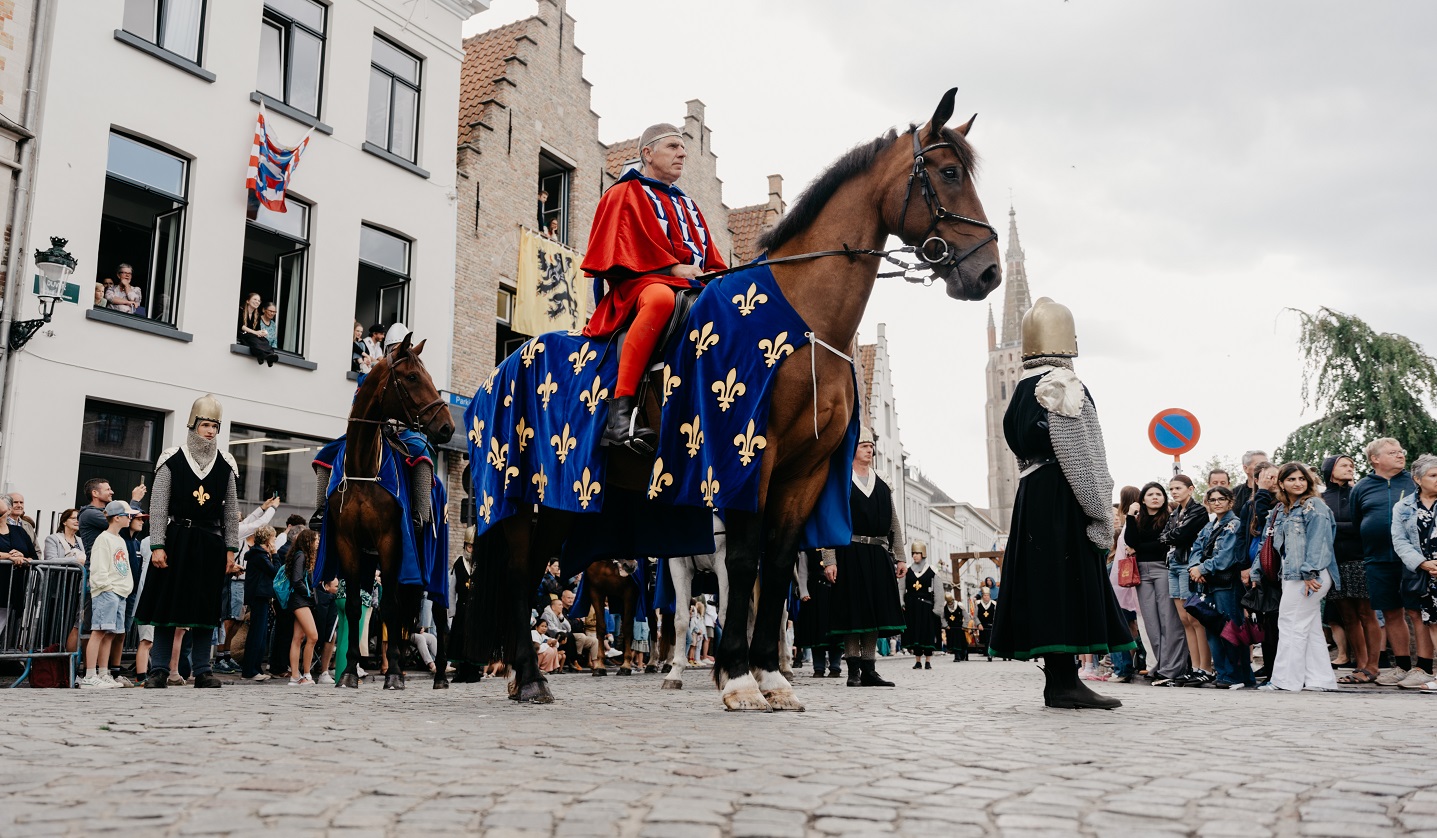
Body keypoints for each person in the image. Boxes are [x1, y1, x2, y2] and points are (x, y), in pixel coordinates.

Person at [988, 296, 1131, 710]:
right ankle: (1066, 684)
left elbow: (1022, 453)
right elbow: (1080, 454)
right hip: (1062, 493)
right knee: (1068, 584)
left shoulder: (1021, 390)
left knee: (1047, 586)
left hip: (1032, 493)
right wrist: (1099, 514)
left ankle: (1060, 681)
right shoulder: (1062, 385)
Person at [580, 123, 727, 453]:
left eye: (683, 148)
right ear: (647, 153)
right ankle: (620, 417)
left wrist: (721, 278)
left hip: (691, 286)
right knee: (661, 299)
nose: (683, 153)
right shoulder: (622, 194)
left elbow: (710, 259)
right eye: (674, 146)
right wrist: (673, 268)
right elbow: (615, 254)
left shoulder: (687, 204)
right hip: (639, 286)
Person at [134, 394, 242, 689]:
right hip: (177, 539)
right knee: (168, 607)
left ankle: (202, 670)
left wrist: (231, 550)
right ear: (194, 425)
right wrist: (157, 544)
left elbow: (230, 512)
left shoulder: (226, 463)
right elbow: (158, 506)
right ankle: (157, 669)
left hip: (210, 542)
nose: (210, 431)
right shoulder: (172, 458)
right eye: (205, 425)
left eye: (214, 426)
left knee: (205, 609)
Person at [823, 428, 905, 687]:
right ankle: (853, 671)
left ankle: (870, 669)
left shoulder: (882, 482)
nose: (870, 450)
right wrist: (829, 559)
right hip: (850, 553)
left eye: (871, 446)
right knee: (853, 613)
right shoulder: (840, 481)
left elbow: (893, 522)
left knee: (873, 613)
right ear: (852, 450)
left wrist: (900, 556)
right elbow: (830, 520)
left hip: (877, 554)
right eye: (864, 446)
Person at [1351, 438, 1428, 687]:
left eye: (1401, 451)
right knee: (1391, 612)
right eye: (1392, 452)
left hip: (1415, 560)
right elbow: (1356, 521)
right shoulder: (1361, 487)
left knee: (1417, 612)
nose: (1400, 455)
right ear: (1375, 459)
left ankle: (1424, 668)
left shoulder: (1414, 481)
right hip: (1377, 559)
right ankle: (1403, 667)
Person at [1257, 462, 1339, 692]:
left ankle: (1285, 681)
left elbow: (1320, 541)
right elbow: (1269, 543)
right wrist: (1256, 571)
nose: (1298, 483)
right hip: (1294, 574)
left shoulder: (1314, 506)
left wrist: (1309, 571)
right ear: (1281, 483)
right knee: (1308, 627)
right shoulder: (1280, 510)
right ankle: (1320, 680)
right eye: (1291, 479)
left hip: (1310, 574)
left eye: (1302, 479)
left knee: (1290, 624)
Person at [1188, 486, 1256, 688]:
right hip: (1208, 585)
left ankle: (1237, 675)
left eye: (1221, 499)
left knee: (1230, 629)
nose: (1217, 503)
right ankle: (1223, 673)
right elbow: (1196, 548)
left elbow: (1225, 558)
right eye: (1213, 500)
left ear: (1230, 501)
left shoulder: (1233, 525)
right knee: (1213, 630)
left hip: (1227, 584)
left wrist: (1202, 568)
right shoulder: (1208, 527)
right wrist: (1194, 567)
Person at [1323, 454, 1380, 685]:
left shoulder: (1359, 492)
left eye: (1352, 465)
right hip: (1334, 563)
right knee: (1348, 617)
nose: (1350, 468)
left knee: (1367, 614)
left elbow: (1363, 526)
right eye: (1344, 465)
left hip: (1361, 560)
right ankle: (1360, 665)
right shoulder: (1321, 497)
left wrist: (1334, 526)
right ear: (1330, 470)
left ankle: (1373, 666)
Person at [1127, 482, 1188, 684]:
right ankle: (1160, 665)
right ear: (1142, 498)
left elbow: (1164, 542)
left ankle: (1173, 668)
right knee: (1151, 623)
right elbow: (1131, 542)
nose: (1155, 497)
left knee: (1168, 620)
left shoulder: (1170, 518)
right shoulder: (1137, 519)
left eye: (1159, 494)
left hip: (1163, 569)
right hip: (1142, 573)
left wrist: (1140, 547)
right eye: (1150, 494)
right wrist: (1129, 516)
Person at [80, 501, 140, 688]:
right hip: (108, 590)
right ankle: (90, 675)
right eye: (127, 515)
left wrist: (125, 586)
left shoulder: (119, 539)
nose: (130, 518)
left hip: (120, 590)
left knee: (110, 634)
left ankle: (104, 672)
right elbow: (99, 565)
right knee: (98, 631)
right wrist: (106, 586)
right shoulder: (103, 539)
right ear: (117, 517)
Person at [1160, 474, 1213, 686]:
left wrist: (1171, 534)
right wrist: (1171, 534)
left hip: (1188, 565)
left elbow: (1179, 535)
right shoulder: (1175, 512)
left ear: (1190, 489)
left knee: (1195, 618)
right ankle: (1195, 667)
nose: (1173, 492)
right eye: (1171, 488)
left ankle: (1205, 668)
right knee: (1184, 619)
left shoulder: (1198, 510)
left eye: (1178, 488)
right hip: (1173, 565)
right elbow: (1164, 535)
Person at [1393, 453, 1437, 691]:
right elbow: (1399, 540)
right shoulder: (1404, 506)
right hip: (1420, 572)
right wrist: (1422, 563)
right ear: (1418, 479)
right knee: (1430, 622)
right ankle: (1425, 671)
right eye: (1433, 475)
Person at [241, 524, 282, 681]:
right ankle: (250, 670)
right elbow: (276, 572)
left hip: (260, 596)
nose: (275, 540)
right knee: (257, 634)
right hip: (259, 597)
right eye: (273, 537)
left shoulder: (257, 554)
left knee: (260, 633)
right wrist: (275, 554)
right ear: (267, 539)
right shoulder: (260, 555)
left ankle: (254, 668)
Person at [796, 549, 843, 677]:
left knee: (836, 631)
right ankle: (818, 667)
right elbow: (802, 571)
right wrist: (803, 591)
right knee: (816, 631)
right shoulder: (809, 548)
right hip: (815, 592)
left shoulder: (838, 545)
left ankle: (835, 666)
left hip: (835, 590)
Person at [283, 527, 319, 686]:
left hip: (300, 600)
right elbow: (297, 580)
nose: (318, 542)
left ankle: (296, 676)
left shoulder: (300, 555)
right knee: (313, 636)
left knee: (298, 638)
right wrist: (309, 594)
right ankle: (305, 674)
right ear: (308, 541)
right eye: (315, 540)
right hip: (300, 600)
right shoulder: (301, 556)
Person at [0, 495, 37, 638]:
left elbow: (34, 557)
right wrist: (8, 556)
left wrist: (23, 558)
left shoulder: (19, 532)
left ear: (9, 510)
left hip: (10, 588)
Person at [903, 541, 942, 670]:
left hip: (927, 607)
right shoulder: (907, 570)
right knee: (915, 633)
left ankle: (928, 660)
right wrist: (901, 602)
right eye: (913, 553)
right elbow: (901, 588)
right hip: (912, 607)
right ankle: (918, 660)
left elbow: (938, 591)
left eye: (917, 553)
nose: (915, 556)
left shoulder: (932, 571)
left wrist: (937, 608)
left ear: (923, 554)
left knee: (927, 632)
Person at [237, 292, 278, 366]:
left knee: (264, 340)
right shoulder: (240, 310)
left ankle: (270, 356)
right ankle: (263, 355)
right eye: (255, 299)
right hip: (243, 335)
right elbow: (240, 326)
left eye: (259, 300)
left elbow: (257, 330)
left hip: (251, 335)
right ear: (248, 301)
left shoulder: (257, 315)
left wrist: (262, 332)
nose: (257, 302)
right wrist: (255, 332)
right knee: (253, 339)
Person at [943, 594, 967, 662]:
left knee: (959, 641)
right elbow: (942, 617)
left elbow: (966, 617)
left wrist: (964, 625)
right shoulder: (945, 607)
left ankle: (961, 654)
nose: (950, 604)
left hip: (959, 626)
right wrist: (945, 625)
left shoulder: (959, 605)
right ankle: (956, 655)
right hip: (950, 627)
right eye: (949, 603)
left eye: (951, 602)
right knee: (952, 642)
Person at [974, 588, 997, 661]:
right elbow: (975, 616)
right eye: (984, 595)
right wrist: (978, 624)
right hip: (982, 626)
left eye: (987, 595)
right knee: (986, 640)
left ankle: (989, 654)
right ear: (982, 596)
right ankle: (987, 652)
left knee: (990, 640)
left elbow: (996, 616)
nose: (986, 597)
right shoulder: (978, 604)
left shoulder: (994, 604)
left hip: (991, 625)